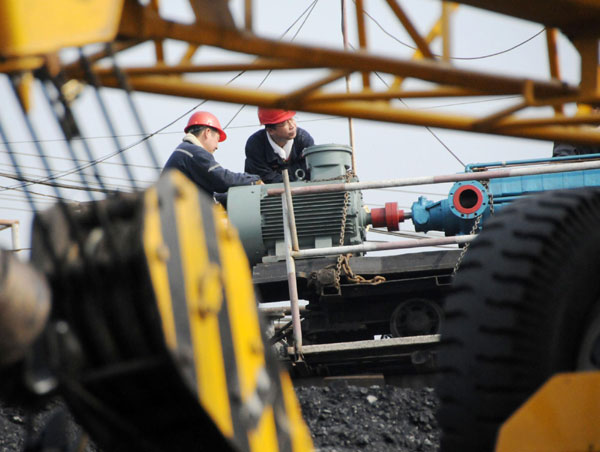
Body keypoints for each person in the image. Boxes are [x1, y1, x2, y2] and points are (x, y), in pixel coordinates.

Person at [163, 111, 261, 204]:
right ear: (207, 132)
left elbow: (207, 194)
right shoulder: (194, 152)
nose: (217, 146)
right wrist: (254, 180)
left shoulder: (185, 151)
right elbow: (222, 179)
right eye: (217, 139)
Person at [244, 108, 314, 183]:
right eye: (284, 123)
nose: (292, 126)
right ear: (270, 130)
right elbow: (264, 177)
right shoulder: (256, 145)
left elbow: (312, 170)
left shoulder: (303, 139)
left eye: (292, 119)